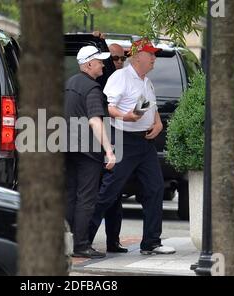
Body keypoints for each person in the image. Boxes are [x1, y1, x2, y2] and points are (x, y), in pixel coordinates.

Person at [89, 38, 176, 255]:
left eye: (154, 54)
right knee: (109, 191)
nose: (154, 58)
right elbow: (108, 107)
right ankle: (83, 239)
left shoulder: (146, 81)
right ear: (138, 57)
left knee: (155, 188)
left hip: (145, 142)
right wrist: (125, 116)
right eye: (151, 54)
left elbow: (151, 105)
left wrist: (157, 122)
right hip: (123, 139)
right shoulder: (121, 77)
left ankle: (151, 242)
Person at [65, 45, 116, 259]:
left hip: (64, 147)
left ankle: (65, 243)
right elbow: (95, 121)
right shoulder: (92, 88)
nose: (103, 65)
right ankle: (81, 245)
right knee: (86, 198)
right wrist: (109, 151)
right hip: (87, 150)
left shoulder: (68, 84)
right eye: (100, 61)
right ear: (89, 64)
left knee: (68, 196)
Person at [102, 43, 129, 253]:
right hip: (97, 141)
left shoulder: (126, 78)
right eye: (114, 58)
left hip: (120, 141)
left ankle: (113, 240)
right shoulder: (100, 77)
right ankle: (83, 238)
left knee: (115, 193)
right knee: (100, 192)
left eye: (122, 58)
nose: (119, 62)